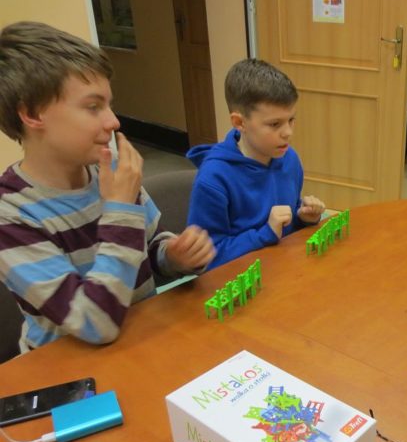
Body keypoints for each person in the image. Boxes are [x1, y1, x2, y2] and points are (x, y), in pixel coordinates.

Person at [0, 21, 215, 352]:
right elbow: (94, 322)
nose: (113, 121)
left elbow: (146, 251)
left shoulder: (109, 172)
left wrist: (174, 256)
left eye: (108, 105)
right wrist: (121, 210)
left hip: (140, 338)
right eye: (92, 106)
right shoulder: (11, 214)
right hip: (70, 369)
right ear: (32, 113)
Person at [187, 59, 325, 269]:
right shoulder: (213, 179)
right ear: (239, 123)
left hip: (284, 270)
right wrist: (265, 234)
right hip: (241, 285)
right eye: (275, 124)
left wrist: (304, 218)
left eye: (291, 120)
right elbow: (203, 261)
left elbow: (286, 224)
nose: (288, 132)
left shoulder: (289, 158)